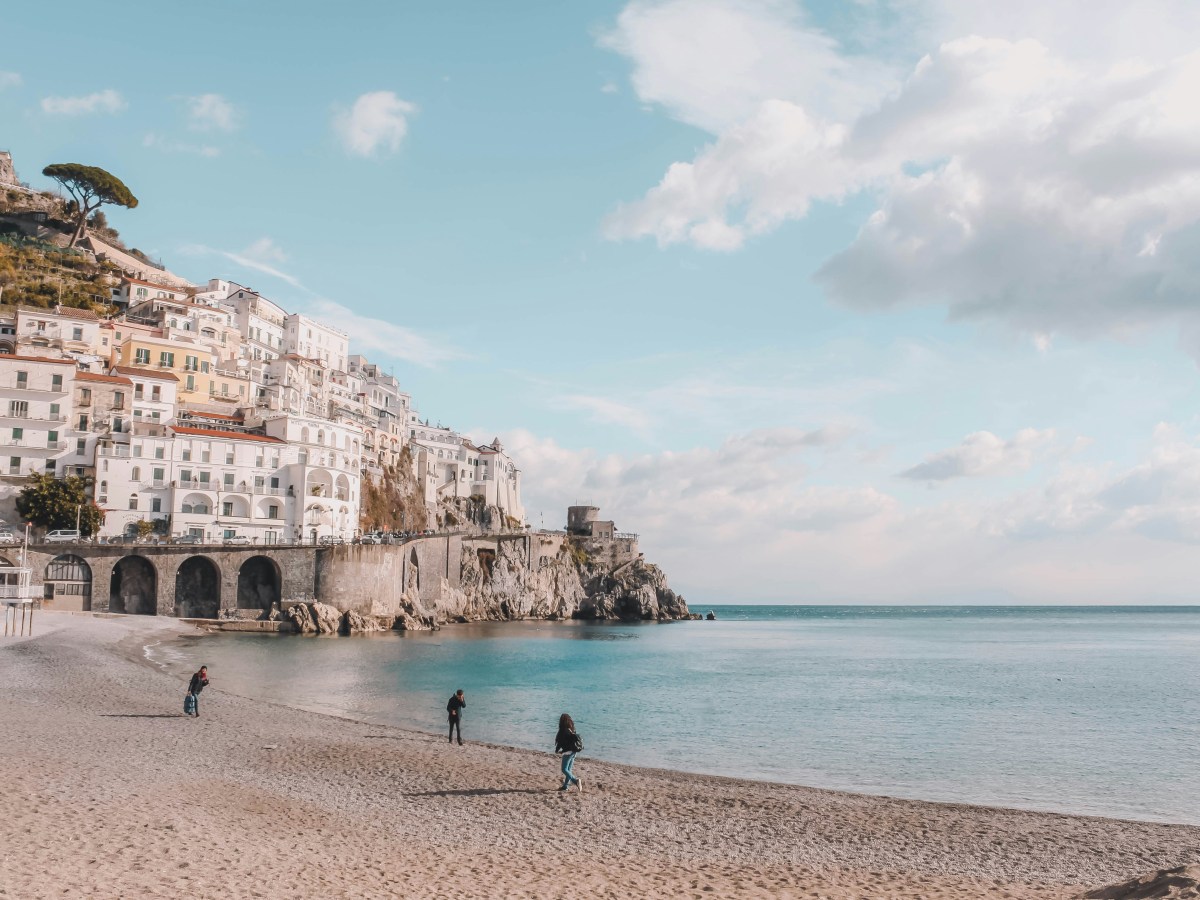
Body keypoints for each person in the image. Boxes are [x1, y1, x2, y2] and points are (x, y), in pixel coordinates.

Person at [554, 713, 583, 792]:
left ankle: (575, 781)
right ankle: (565, 786)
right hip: (574, 751)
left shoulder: (563, 730)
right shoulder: (572, 729)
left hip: (568, 752)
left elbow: (560, 742)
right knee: (568, 770)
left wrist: (557, 750)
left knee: (564, 769)